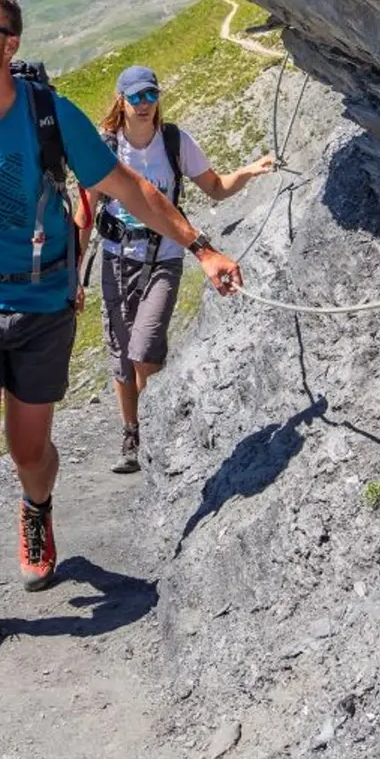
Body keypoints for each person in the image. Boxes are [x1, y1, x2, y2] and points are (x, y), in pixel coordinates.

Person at [0, 0, 245, 656]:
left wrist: (200, 248)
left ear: (10, 43)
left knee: (30, 453)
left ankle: (37, 510)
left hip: (42, 303)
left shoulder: (51, 116)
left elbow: (130, 189)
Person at [77, 65, 276, 474]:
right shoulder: (104, 147)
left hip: (165, 256)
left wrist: (248, 171)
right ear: (121, 101)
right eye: (136, 97)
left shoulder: (174, 142)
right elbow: (85, 215)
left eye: (150, 95)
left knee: (145, 347)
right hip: (117, 259)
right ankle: (132, 433)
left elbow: (215, 187)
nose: (145, 104)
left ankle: (158, 430)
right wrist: (73, 277)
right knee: (121, 357)